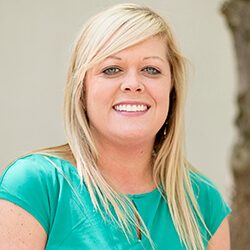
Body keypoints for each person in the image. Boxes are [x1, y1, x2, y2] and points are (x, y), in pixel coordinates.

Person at [0, 3, 231, 250]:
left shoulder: (204, 202)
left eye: (151, 70)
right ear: (82, 91)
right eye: (111, 69)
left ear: (171, 89)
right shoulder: (36, 185)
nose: (133, 84)